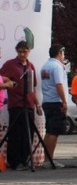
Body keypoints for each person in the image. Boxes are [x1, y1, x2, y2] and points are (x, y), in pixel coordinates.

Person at [0, 41, 42, 170]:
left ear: (29, 52)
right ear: (17, 51)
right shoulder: (10, 64)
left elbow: (33, 88)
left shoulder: (31, 66)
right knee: (16, 134)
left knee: (28, 134)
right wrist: (8, 82)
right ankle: (14, 162)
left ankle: (24, 160)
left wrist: (37, 104)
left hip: (29, 105)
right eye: (20, 51)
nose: (23, 54)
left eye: (25, 51)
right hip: (16, 104)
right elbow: (2, 78)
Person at [40, 44, 69, 168]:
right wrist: (64, 101)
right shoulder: (57, 67)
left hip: (47, 101)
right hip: (55, 101)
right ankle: (49, 160)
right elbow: (59, 85)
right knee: (54, 132)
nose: (64, 56)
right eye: (63, 53)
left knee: (49, 131)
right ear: (60, 52)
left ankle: (47, 159)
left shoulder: (45, 66)